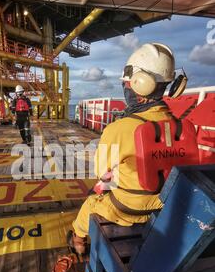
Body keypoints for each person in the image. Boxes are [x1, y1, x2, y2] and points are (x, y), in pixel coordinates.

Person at [68, 43, 182, 254]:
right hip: (164, 207)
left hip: (127, 209)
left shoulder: (119, 128)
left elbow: (103, 175)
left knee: (91, 202)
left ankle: (78, 241)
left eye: (126, 84)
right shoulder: (180, 126)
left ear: (140, 86)